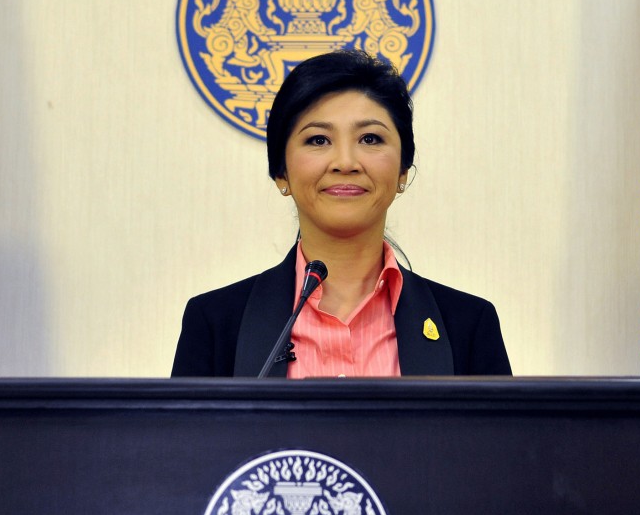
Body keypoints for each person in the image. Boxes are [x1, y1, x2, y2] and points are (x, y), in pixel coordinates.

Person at [171, 49, 511, 377]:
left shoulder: (469, 325)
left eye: (370, 138)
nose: (346, 162)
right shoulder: (214, 323)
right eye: (318, 140)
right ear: (281, 173)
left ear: (403, 172)